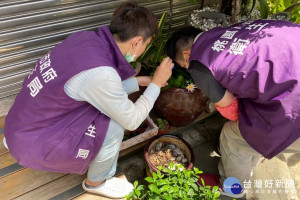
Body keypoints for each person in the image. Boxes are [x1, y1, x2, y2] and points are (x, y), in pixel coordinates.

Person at [4, 1, 173, 199]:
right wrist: (156, 84)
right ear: (136, 42)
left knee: (107, 110)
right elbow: (132, 119)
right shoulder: (101, 74)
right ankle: (96, 182)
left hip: (22, 123)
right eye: (146, 44)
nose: (144, 49)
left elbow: (94, 89)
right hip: (34, 140)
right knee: (114, 125)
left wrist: (139, 82)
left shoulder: (85, 39)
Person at [166, 20, 300, 198]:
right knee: (248, 136)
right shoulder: (234, 30)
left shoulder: (199, 63)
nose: (187, 68)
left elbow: (231, 110)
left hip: (293, 113)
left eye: (183, 65)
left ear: (186, 54)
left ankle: (232, 188)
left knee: (233, 136)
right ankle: (246, 167)